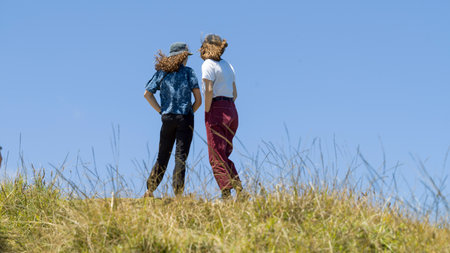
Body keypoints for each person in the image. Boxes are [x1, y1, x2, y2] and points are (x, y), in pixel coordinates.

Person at [143, 42, 202, 198]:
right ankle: (178, 194)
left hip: (167, 117)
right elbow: (198, 100)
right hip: (185, 117)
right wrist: (189, 112)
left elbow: (147, 94)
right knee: (180, 156)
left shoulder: (162, 73)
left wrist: (161, 110)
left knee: (162, 155)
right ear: (183, 56)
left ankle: (150, 190)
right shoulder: (189, 73)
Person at [200, 34, 245, 199]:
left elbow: (209, 90)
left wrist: (207, 111)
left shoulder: (207, 65)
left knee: (216, 155)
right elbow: (235, 93)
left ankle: (226, 193)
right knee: (224, 153)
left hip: (216, 108)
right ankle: (238, 187)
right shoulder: (228, 65)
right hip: (232, 109)